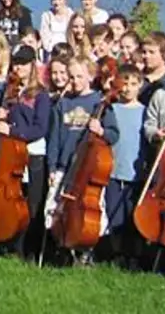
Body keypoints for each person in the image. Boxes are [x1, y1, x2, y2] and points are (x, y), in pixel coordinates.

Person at [46, 58, 118, 263]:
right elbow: (55, 138)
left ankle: (85, 251)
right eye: (72, 77)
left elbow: (114, 135)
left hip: (87, 170)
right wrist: (52, 166)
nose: (75, 81)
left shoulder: (99, 102)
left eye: (79, 76)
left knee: (90, 213)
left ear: (90, 76)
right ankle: (61, 248)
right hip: (64, 166)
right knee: (55, 210)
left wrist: (101, 131)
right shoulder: (64, 102)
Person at [0, 47, 53, 257]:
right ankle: (9, 243)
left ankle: (29, 250)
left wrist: (12, 130)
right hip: (11, 155)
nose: (18, 67)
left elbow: (39, 128)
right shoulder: (9, 91)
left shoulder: (40, 95)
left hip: (33, 154)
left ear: (32, 65)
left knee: (32, 204)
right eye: (16, 63)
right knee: (12, 201)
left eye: (23, 63)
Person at [104, 64, 147, 262]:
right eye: (125, 83)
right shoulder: (111, 109)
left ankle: (135, 255)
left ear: (140, 85)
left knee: (133, 217)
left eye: (133, 84)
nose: (128, 88)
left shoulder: (145, 112)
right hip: (113, 170)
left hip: (135, 172)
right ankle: (116, 253)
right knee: (114, 214)